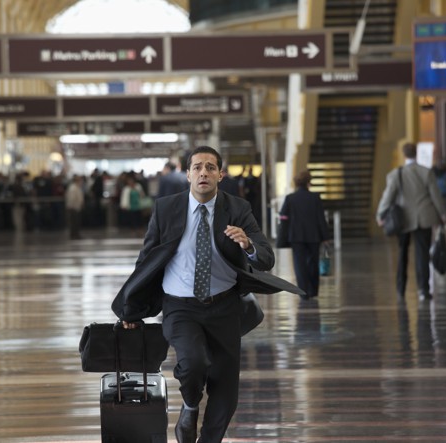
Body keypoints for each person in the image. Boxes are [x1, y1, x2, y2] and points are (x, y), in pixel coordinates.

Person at [112, 146, 302, 443]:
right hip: (179, 306)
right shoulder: (166, 209)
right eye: (197, 167)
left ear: (220, 175)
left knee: (225, 390)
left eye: (210, 167)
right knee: (193, 363)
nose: (204, 172)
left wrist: (248, 245)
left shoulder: (237, 209)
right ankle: (189, 407)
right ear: (187, 174)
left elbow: (265, 257)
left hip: (224, 306)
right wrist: (131, 310)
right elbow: (146, 262)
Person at [376, 142, 446, 301]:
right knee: (422, 254)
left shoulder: (396, 174)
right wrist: (442, 214)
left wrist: (380, 215)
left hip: (403, 219)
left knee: (402, 254)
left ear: (404, 155)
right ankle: (423, 290)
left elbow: (388, 196)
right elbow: (436, 196)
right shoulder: (426, 172)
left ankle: (401, 289)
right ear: (416, 154)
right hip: (424, 217)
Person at [279, 170, 331, 299]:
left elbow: (283, 217)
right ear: (309, 182)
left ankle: (303, 292)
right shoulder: (315, 198)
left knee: (299, 264)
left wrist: (282, 238)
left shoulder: (290, 198)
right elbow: (321, 219)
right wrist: (325, 237)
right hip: (314, 236)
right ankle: (313, 290)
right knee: (313, 263)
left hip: (296, 236)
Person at [65, 174, 84, 239]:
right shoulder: (73, 188)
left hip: (77, 207)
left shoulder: (77, 187)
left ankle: (76, 234)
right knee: (74, 223)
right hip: (74, 208)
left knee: (76, 222)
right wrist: (71, 206)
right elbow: (71, 198)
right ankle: (74, 235)